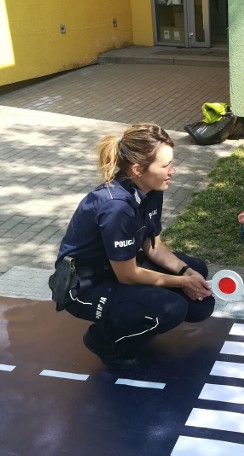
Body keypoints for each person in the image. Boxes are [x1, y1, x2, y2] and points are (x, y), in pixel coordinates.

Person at [51, 123, 215, 370]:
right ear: (138, 169)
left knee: (197, 278)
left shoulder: (151, 188)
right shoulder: (116, 207)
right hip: (85, 287)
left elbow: (153, 247)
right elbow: (127, 276)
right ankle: (104, 340)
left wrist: (185, 273)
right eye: (165, 166)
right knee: (173, 308)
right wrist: (182, 284)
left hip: (115, 270)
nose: (173, 170)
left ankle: (135, 318)